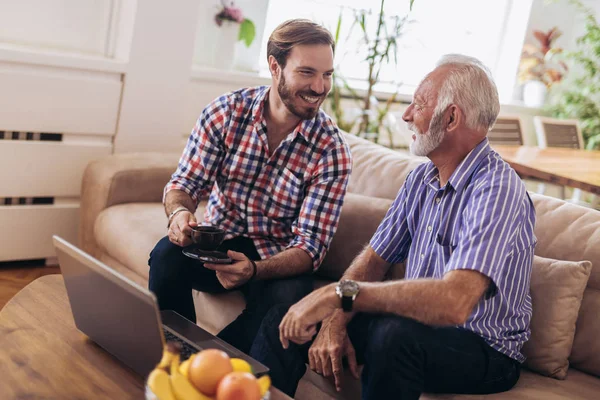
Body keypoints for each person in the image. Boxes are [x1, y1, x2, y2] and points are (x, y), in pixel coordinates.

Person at [250, 54, 536, 399]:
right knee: (287, 318)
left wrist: (338, 296)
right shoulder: (420, 179)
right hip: (417, 330)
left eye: (418, 104)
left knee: (393, 335)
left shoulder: (496, 190)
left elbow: (455, 302)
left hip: (485, 350)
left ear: (450, 117)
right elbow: (374, 260)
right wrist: (335, 319)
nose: (406, 115)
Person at [148, 19, 352, 355]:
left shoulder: (331, 150)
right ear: (275, 67)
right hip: (218, 240)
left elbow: (311, 247)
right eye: (307, 72)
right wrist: (180, 213)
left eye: (327, 74)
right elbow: (185, 183)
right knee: (166, 256)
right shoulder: (227, 113)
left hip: (277, 256)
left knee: (289, 302)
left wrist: (254, 270)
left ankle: (212, 370)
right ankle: (173, 359)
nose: (320, 87)